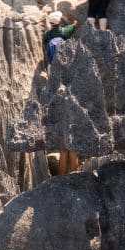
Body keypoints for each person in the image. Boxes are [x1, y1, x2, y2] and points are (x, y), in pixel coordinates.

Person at [43, 10, 81, 175]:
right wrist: (71, 17)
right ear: (59, 22)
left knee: (63, 149)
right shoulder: (65, 31)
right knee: (71, 147)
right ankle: (75, 173)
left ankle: (62, 177)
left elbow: (44, 44)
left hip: (54, 71)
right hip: (67, 71)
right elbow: (76, 24)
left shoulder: (47, 35)